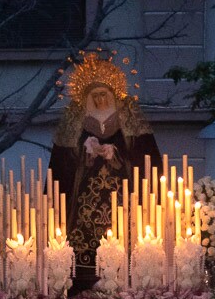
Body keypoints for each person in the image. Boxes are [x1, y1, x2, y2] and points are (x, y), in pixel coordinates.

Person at [50, 53, 160, 285]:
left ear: (113, 94)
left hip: (123, 200)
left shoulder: (129, 115)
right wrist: (84, 153)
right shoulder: (74, 117)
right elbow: (60, 167)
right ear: (87, 97)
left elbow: (148, 160)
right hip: (82, 207)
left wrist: (117, 155)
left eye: (104, 95)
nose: (100, 101)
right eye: (95, 96)